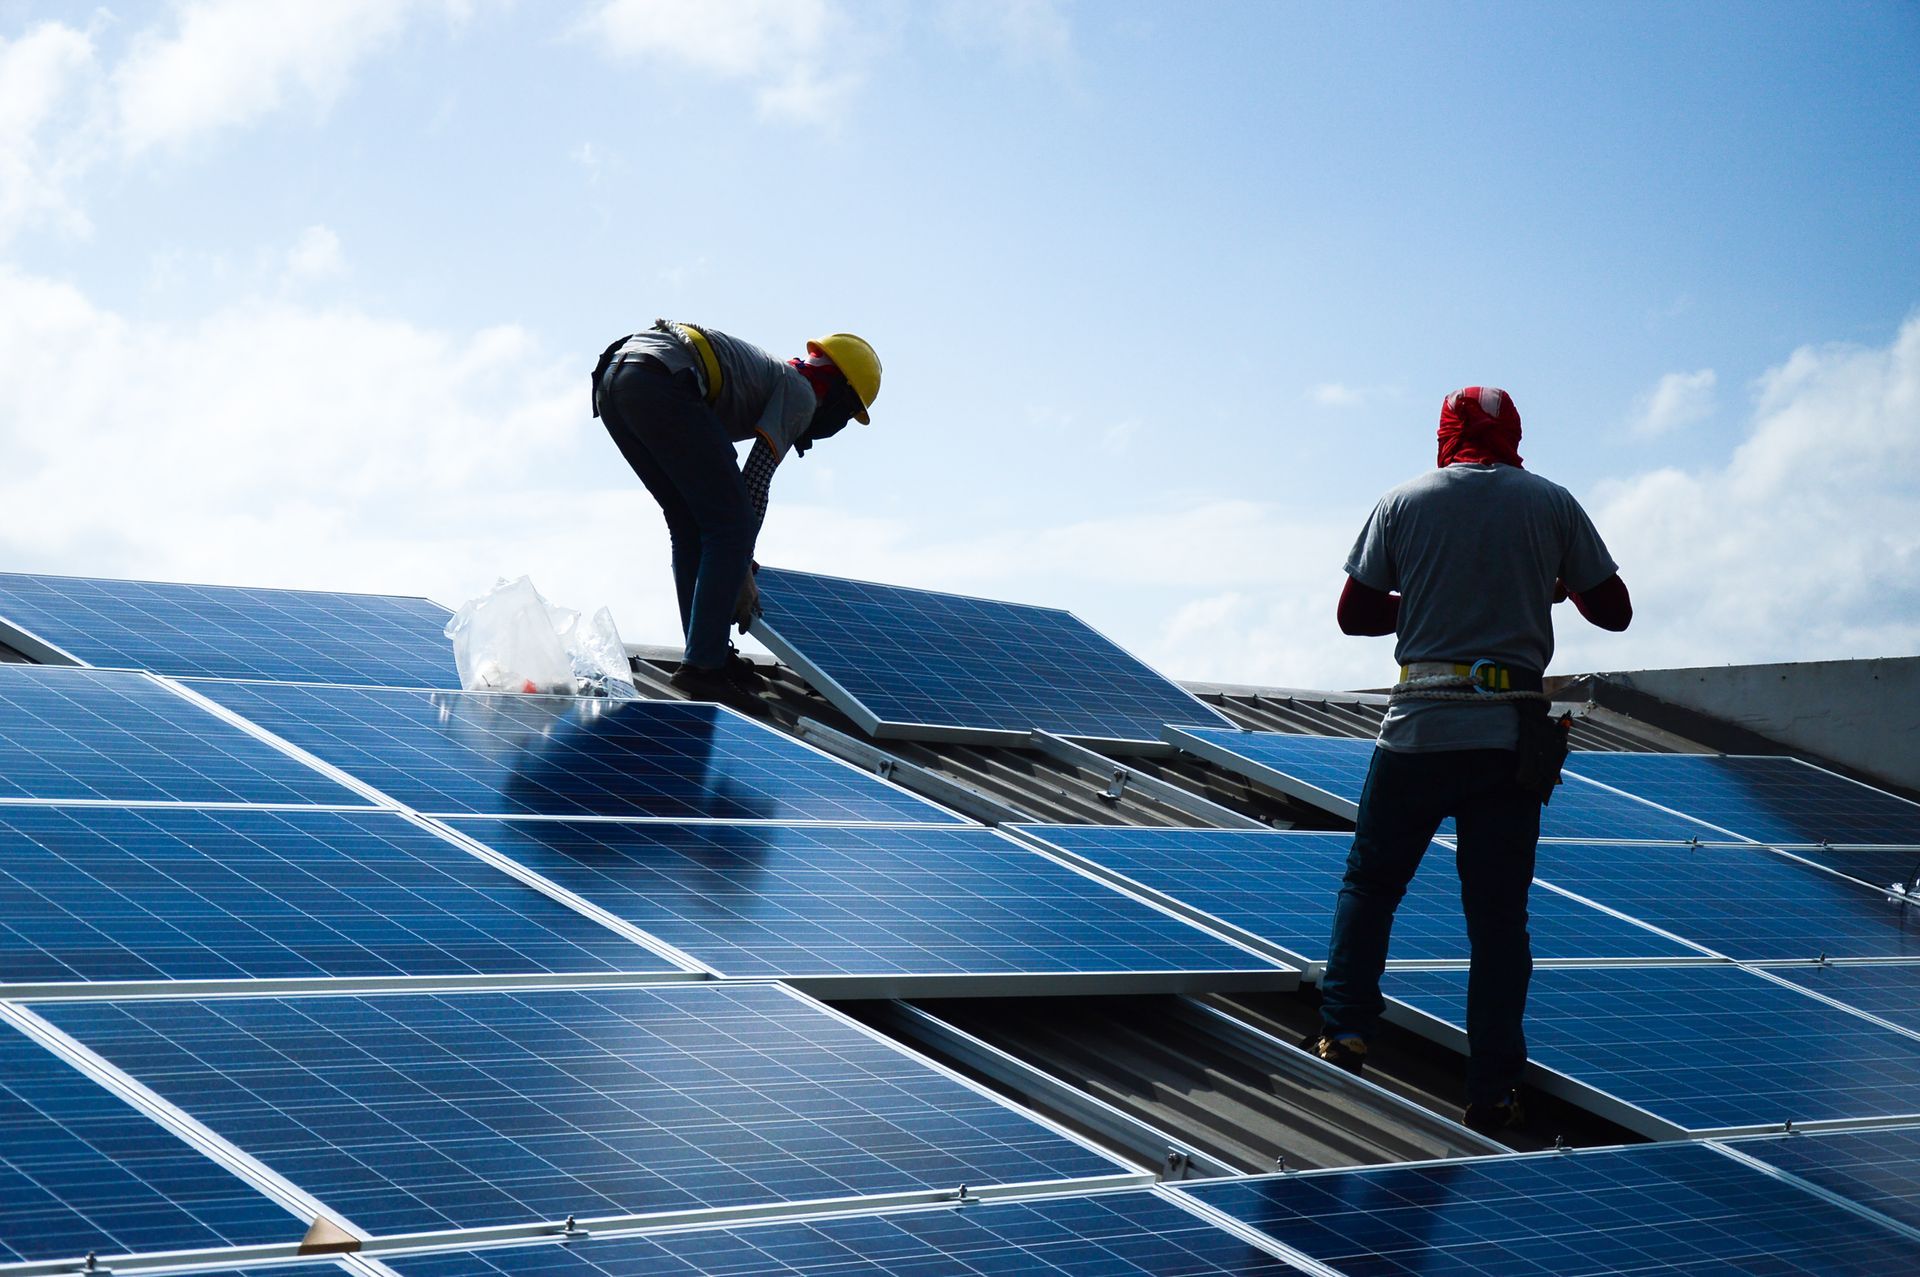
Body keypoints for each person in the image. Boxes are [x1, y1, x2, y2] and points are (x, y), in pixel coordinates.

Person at [1308, 385, 1632, 1137]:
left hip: (1417, 731)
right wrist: (1539, 589)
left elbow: (1355, 614)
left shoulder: (1403, 502)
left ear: (1445, 435)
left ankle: (1346, 1026)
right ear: (1515, 435)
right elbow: (1613, 610)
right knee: (1496, 922)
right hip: (1505, 742)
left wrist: (1425, 596)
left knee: (1372, 882)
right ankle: (1491, 1087)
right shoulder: (1551, 503)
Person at [591, 320, 880, 703]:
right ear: (840, 394)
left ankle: (705, 656)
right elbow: (755, 481)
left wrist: (737, 555)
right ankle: (704, 666)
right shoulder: (802, 392)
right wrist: (742, 563)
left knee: (690, 524)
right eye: (848, 414)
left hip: (618, 380)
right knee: (730, 524)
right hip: (660, 378)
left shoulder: (771, 378)